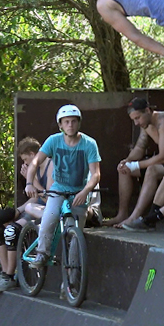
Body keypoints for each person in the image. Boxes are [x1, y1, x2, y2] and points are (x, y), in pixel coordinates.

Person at [24, 105, 102, 286]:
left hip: (78, 193)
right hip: (58, 190)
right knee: (49, 219)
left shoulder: (89, 144)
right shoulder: (53, 141)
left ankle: (71, 283)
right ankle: (42, 254)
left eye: (74, 121)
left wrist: (85, 192)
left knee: (76, 236)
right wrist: (29, 182)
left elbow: (96, 174)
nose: (70, 125)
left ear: (79, 123)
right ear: (60, 125)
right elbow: (35, 162)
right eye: (66, 122)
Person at [110, 98, 164, 228]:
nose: (136, 123)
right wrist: (127, 161)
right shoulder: (146, 124)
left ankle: (134, 217)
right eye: (133, 120)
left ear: (148, 111)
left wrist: (136, 165)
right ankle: (122, 214)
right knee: (124, 170)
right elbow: (139, 148)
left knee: (152, 170)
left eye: (138, 118)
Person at [0, 137, 53, 292]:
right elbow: (34, 197)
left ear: (32, 154)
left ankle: (10, 275)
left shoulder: (50, 165)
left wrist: (32, 181)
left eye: (25, 160)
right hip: (34, 208)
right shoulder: (34, 169)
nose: (25, 164)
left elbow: (49, 198)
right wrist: (17, 211)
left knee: (11, 231)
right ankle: (4, 272)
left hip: (46, 211)